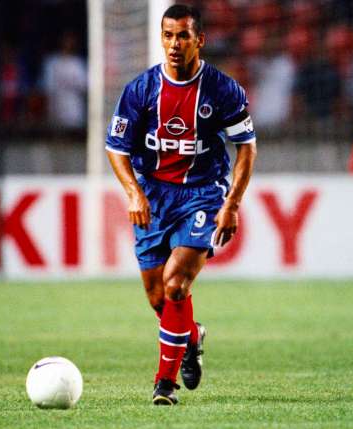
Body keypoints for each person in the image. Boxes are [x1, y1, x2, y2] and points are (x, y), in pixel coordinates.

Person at [105, 4, 257, 406]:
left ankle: (164, 385)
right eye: (168, 35)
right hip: (153, 196)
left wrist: (232, 203)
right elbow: (116, 148)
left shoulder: (222, 90)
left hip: (202, 194)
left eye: (183, 36)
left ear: (199, 40)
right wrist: (133, 193)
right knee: (158, 296)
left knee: (176, 284)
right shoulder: (140, 91)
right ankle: (191, 336)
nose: (174, 44)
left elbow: (246, 147)